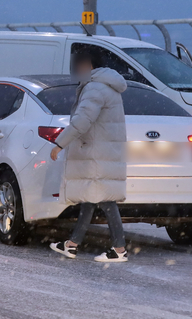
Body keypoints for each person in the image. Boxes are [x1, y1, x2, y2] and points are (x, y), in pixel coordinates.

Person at [49, 49, 129, 262]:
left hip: (96, 152)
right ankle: (72, 244)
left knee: (105, 200)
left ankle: (119, 249)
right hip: (103, 151)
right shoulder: (107, 86)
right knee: (90, 198)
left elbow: (82, 120)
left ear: (89, 66)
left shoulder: (95, 88)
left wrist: (59, 144)